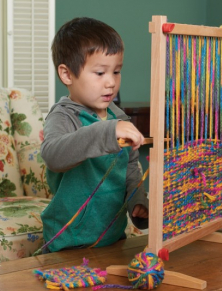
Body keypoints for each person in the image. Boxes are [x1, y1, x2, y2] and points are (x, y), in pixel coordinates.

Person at [40, 17, 149, 252]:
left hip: (112, 239)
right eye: (100, 73)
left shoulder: (118, 117)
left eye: (117, 71)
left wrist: (138, 201)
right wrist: (106, 132)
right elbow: (52, 155)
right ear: (67, 75)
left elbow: (129, 168)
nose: (111, 82)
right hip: (68, 242)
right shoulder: (63, 116)